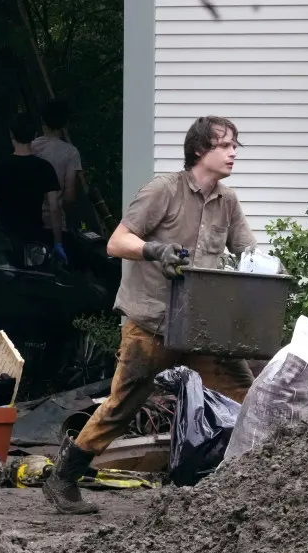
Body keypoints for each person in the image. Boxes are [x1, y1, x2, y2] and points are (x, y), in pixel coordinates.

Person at [43, 116, 257, 515]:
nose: (232, 152)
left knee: (246, 396)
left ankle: (261, 483)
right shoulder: (164, 190)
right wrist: (154, 250)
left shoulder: (227, 202)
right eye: (225, 145)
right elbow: (117, 241)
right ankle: (63, 478)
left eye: (234, 146)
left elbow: (249, 252)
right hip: (153, 320)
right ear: (199, 151)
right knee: (124, 405)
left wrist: (264, 273)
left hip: (201, 324)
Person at [0, 113, 65, 262]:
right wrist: (58, 242)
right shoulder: (45, 168)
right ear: (34, 135)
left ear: (11, 135)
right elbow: (54, 207)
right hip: (34, 237)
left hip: (6, 237)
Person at [30, 100, 82, 235]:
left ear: (42, 120)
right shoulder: (71, 152)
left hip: (29, 220)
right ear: (65, 123)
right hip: (57, 224)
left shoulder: (30, 148)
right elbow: (69, 196)